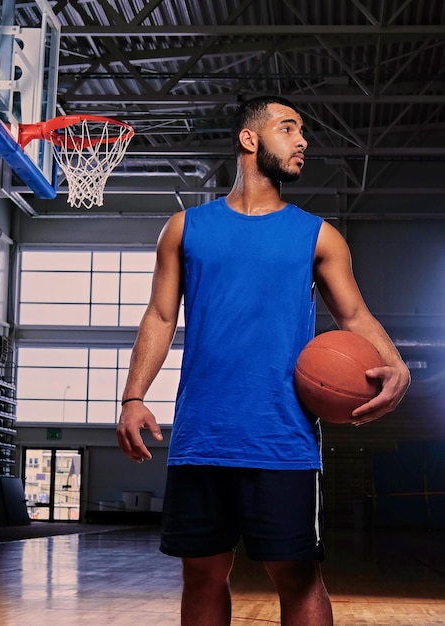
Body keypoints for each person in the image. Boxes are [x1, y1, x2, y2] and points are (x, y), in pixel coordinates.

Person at [116, 95, 410, 626]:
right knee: (201, 575)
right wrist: (133, 397)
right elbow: (159, 317)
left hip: (282, 440)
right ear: (249, 140)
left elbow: (356, 316)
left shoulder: (318, 235)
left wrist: (398, 367)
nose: (302, 141)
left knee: (297, 577)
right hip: (201, 438)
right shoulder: (185, 229)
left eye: (303, 132)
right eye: (288, 128)